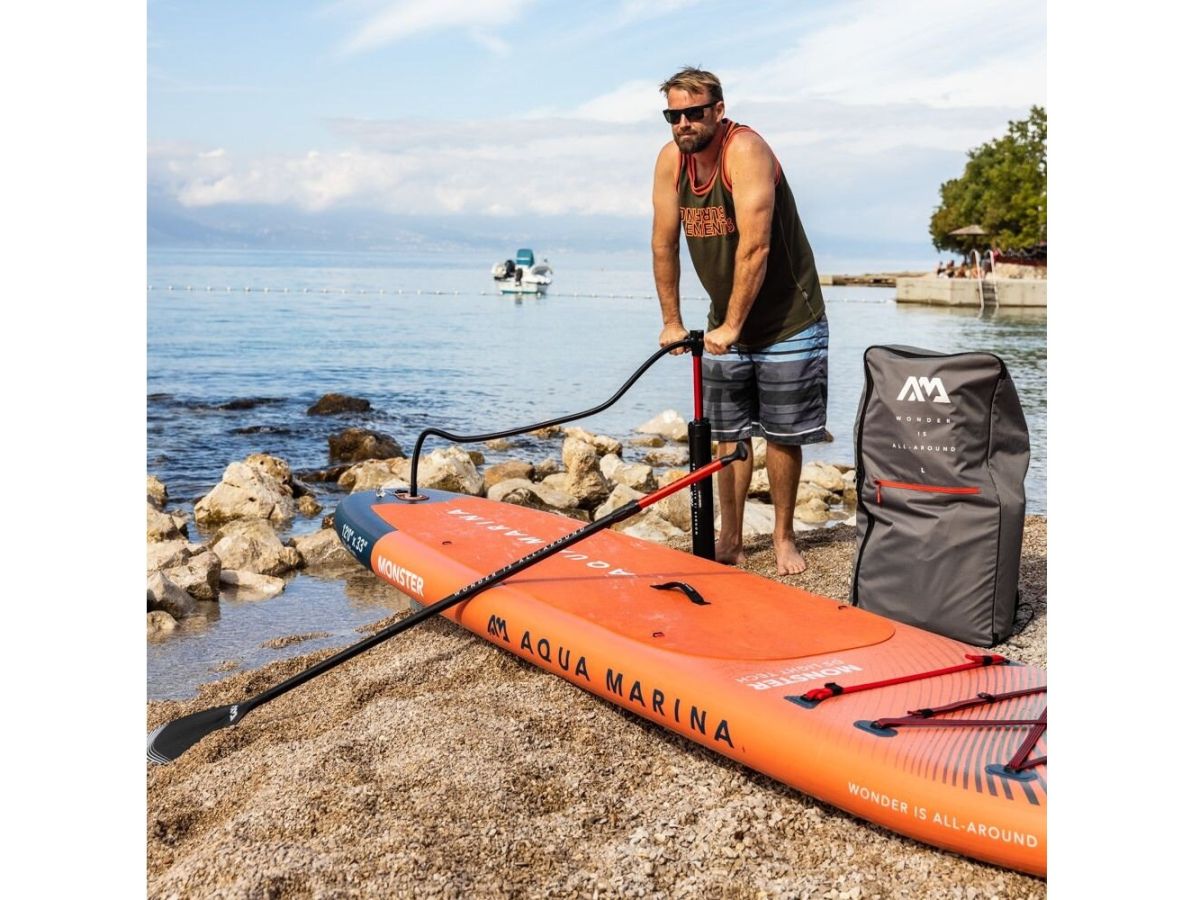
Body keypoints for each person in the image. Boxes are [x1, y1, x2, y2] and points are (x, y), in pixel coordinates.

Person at [651, 67, 828, 576]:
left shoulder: (745, 151)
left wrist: (732, 327)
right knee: (729, 434)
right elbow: (663, 242)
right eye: (673, 116)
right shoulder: (672, 162)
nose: (683, 124)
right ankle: (730, 540)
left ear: (718, 110)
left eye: (693, 113)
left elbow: (757, 248)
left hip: (788, 320)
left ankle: (783, 537)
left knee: (782, 434)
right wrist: (671, 320)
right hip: (723, 320)